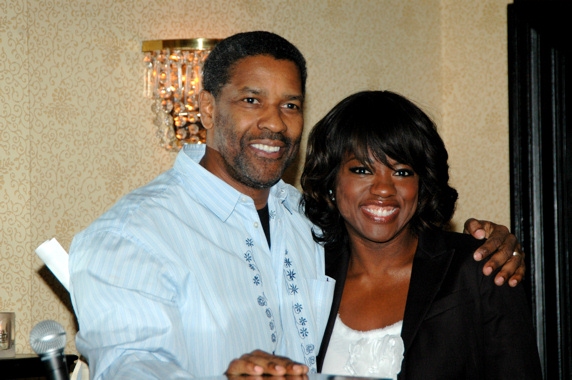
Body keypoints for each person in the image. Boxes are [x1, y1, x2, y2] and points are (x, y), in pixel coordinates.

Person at [68, 31, 525, 379]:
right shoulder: (131, 234)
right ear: (207, 109)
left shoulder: (308, 222)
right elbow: (129, 365)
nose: (274, 122)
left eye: (290, 105)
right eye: (252, 100)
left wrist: (490, 242)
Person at [300, 90, 542, 379]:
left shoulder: (479, 268)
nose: (383, 189)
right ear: (331, 181)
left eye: (402, 172)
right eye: (362, 170)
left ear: (423, 184)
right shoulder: (309, 272)